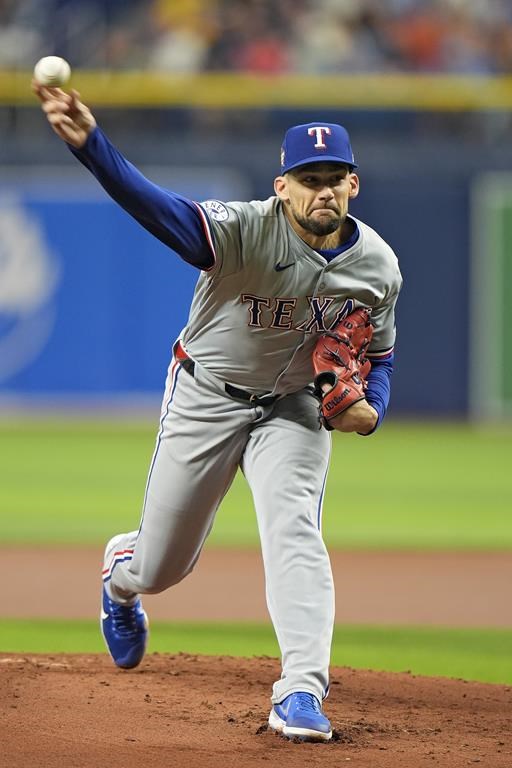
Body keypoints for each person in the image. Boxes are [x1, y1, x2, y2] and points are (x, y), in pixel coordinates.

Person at [34, 81, 402, 743]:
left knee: (295, 531)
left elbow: (380, 355)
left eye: (334, 179)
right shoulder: (242, 230)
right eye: (307, 178)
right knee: (162, 566)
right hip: (207, 396)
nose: (322, 189)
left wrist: (369, 413)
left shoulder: (377, 266)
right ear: (281, 186)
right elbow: (155, 209)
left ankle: (300, 690)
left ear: (354, 185)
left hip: (293, 408)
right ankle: (122, 579)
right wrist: (92, 146)